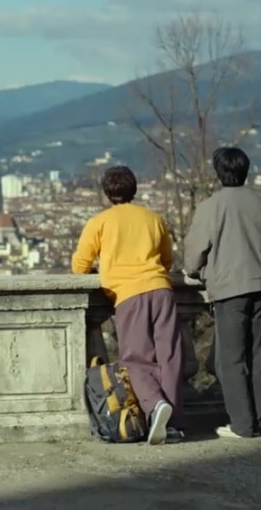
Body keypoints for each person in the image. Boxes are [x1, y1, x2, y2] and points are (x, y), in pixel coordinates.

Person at [71, 165, 185, 445]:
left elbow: (80, 265)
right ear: (134, 189)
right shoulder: (154, 219)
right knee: (170, 357)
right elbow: (167, 259)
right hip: (161, 289)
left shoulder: (100, 222)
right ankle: (171, 424)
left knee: (136, 358)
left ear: (107, 192)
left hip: (128, 294)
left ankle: (155, 406)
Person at [183, 146, 261, 439]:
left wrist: (195, 271)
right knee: (260, 356)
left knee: (231, 360)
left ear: (219, 172)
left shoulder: (211, 206)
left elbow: (194, 254)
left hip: (230, 289)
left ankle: (243, 424)